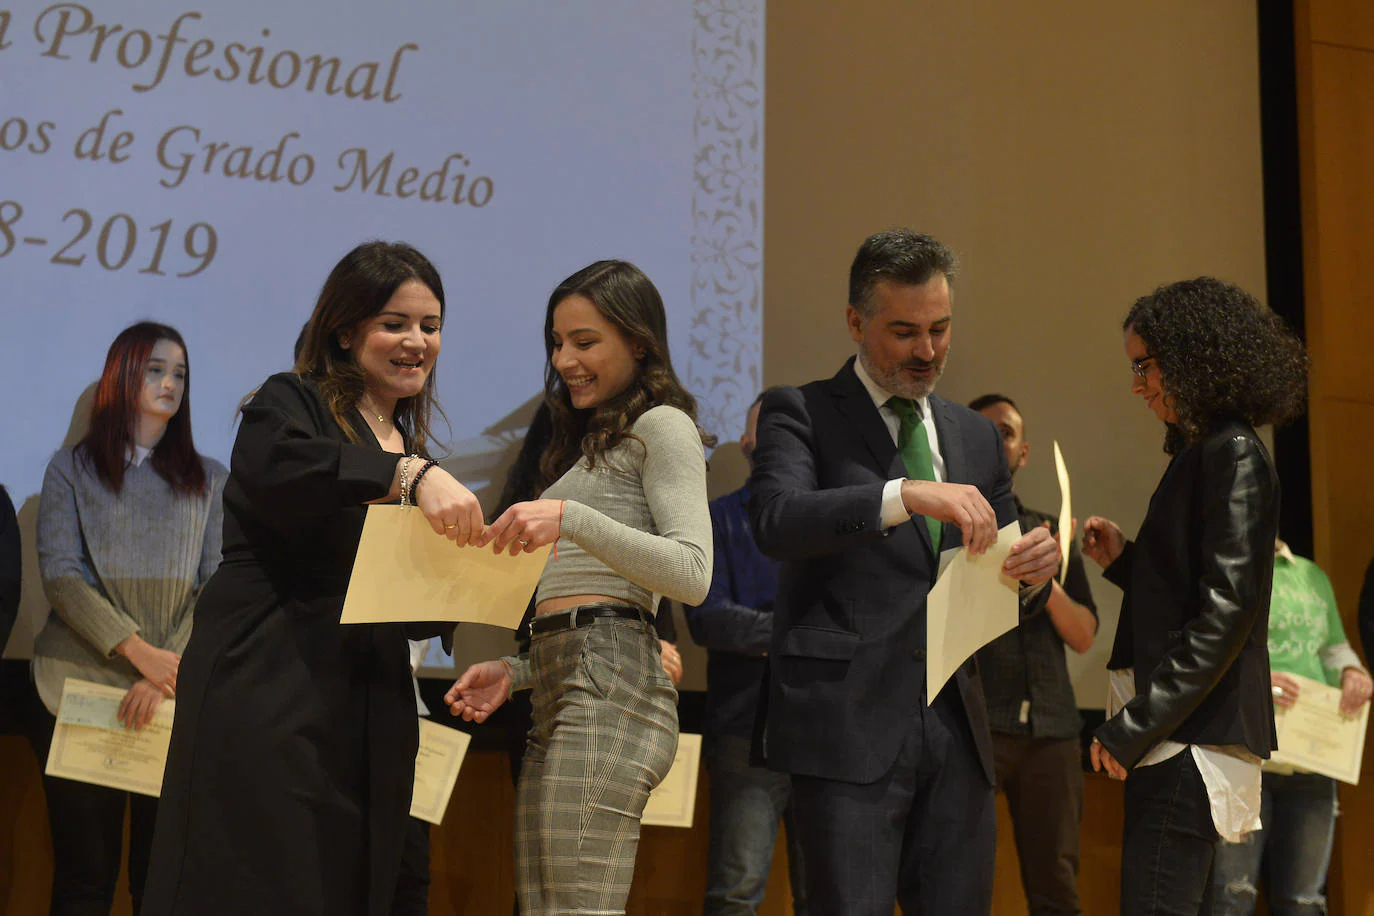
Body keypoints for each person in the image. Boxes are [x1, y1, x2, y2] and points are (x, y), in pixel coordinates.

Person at [142, 241, 484, 916]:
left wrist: (482, 570)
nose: (417, 341)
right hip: (271, 687)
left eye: (430, 326)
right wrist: (406, 476)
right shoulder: (288, 402)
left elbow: (404, 601)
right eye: (396, 324)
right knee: (263, 881)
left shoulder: (408, 447)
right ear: (345, 329)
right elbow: (280, 469)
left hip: (367, 706)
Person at [747, 229, 1062, 915]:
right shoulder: (799, 411)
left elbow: (1009, 572)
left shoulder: (975, 437)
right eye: (904, 332)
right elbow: (777, 519)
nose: (927, 351)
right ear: (856, 322)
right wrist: (904, 496)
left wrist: (1036, 568)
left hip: (958, 727)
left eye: (940, 329)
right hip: (845, 726)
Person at [444, 259, 713, 916]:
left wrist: (571, 517)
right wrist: (515, 670)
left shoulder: (663, 425)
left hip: (612, 696)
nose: (564, 359)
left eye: (585, 341)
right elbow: (587, 609)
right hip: (563, 687)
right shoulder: (588, 442)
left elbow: (693, 573)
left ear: (639, 341)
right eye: (557, 343)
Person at [1082, 276, 1309, 916]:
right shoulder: (1208, 450)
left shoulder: (1231, 452)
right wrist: (1127, 559)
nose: (1138, 385)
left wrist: (1136, 724)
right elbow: (1193, 593)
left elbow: (1225, 615)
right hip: (1186, 735)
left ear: (1190, 358)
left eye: (1145, 366)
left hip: (1188, 738)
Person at [30, 321, 227, 915]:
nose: (170, 384)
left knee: (159, 878)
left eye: (181, 374)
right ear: (122, 376)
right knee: (85, 879)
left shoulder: (211, 479)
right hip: (76, 689)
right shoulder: (71, 469)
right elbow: (62, 576)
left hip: (169, 699)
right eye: (156, 369)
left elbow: (217, 584)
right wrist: (139, 653)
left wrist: (163, 673)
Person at [969, 393, 1097, 916]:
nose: (998, 442)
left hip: (1053, 731)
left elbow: (1085, 633)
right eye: (985, 433)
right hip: (976, 729)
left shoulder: (1049, 531)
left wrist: (1045, 579)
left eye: (1008, 433)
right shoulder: (946, 532)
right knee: (959, 875)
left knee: (1056, 884)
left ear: (1024, 452)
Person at [684, 389, 808, 916]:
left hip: (826, 733)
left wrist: (772, 637)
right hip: (744, 731)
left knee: (832, 895)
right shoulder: (715, 520)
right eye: (767, 427)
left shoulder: (824, 521)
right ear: (746, 441)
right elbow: (709, 618)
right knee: (736, 893)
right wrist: (802, 639)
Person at [1209, 540, 1372, 915]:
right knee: (1231, 896)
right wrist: (1251, 682)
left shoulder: (1311, 575)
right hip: (1244, 758)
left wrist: (1352, 672)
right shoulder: (1223, 571)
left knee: (1304, 901)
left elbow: (1332, 648)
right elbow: (1201, 655)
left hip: (1313, 760)